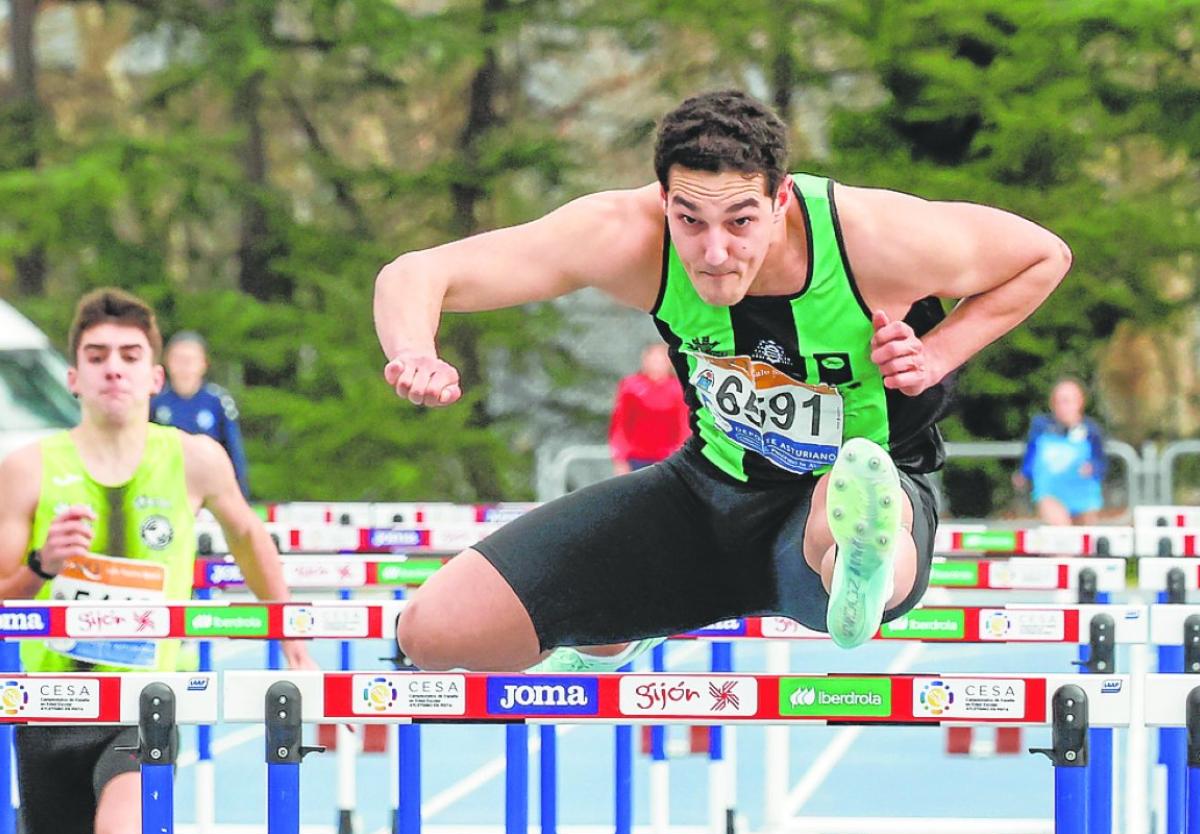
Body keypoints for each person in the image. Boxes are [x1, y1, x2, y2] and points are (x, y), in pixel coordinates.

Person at [374, 89, 1072, 673]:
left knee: (848, 496)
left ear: (780, 200)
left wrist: (940, 352)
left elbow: (1042, 255)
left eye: (740, 222)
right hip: (705, 495)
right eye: (690, 221)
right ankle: (614, 626)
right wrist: (414, 349)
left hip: (841, 499)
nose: (714, 253)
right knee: (434, 633)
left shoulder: (875, 238)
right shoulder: (624, 233)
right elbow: (416, 273)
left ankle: (861, 569)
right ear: (663, 200)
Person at [0, 289, 316, 834]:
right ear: (73, 377)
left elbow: (248, 537)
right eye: (96, 357)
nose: (113, 370)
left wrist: (292, 638)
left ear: (155, 378)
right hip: (51, 707)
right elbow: (5, 601)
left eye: (130, 356)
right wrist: (42, 563)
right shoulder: (28, 469)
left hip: (144, 703)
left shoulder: (195, 459)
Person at [151, 331, 250, 498]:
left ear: (204, 363)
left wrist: (241, 496)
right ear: (167, 362)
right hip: (165, 490)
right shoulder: (155, 401)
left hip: (210, 491)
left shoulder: (218, 401)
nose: (185, 366)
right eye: (179, 359)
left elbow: (234, 451)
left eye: (191, 360)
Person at [1014, 377, 1106, 525]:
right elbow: (1031, 454)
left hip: (1084, 495)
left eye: (1067, 401)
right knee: (1062, 537)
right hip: (1050, 493)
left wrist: (1093, 467)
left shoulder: (1091, 430)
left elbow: (1101, 462)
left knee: (1085, 541)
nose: (1063, 407)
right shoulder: (1041, 427)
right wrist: (1024, 474)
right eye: (1058, 402)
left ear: (1080, 402)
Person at [609, 341, 690, 474]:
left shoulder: (677, 388)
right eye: (654, 359)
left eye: (661, 360)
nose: (657, 364)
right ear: (645, 360)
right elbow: (620, 425)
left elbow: (684, 425)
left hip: (669, 458)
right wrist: (619, 458)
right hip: (636, 458)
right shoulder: (631, 386)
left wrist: (683, 456)